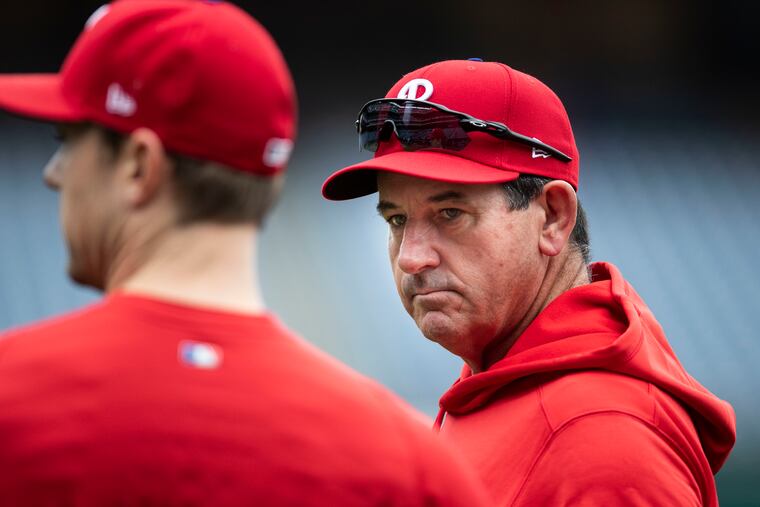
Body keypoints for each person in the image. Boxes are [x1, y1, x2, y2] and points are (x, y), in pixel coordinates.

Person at [0, 5, 492, 506]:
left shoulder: (12, 400)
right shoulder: (413, 463)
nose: (54, 173)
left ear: (138, 166)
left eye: (67, 142)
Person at [322, 59, 737, 506]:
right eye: (398, 220)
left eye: (451, 214)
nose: (411, 257)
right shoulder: (508, 382)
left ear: (553, 217)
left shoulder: (601, 438)